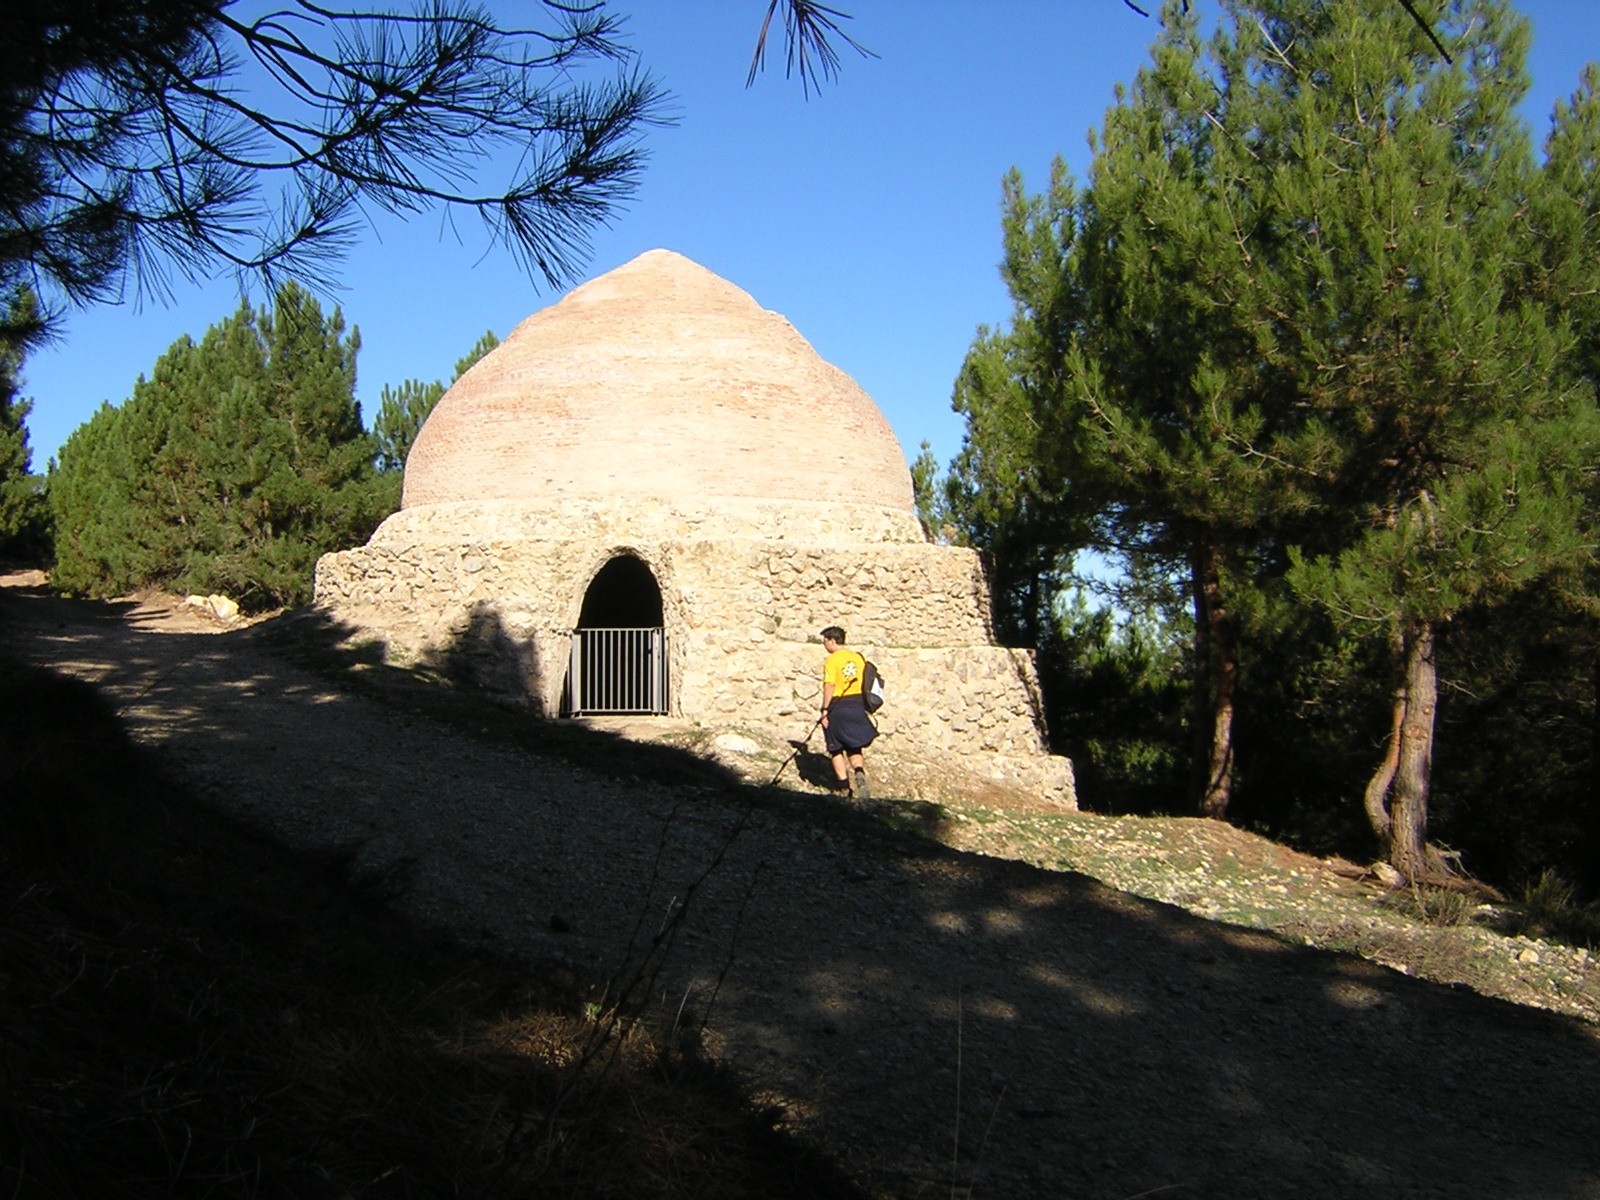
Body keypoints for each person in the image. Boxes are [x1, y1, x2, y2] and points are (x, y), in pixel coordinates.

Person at [818, 625, 876, 800]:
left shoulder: (832, 660)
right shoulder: (858, 658)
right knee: (854, 745)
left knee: (835, 748)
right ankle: (859, 772)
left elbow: (830, 685)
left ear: (832, 641)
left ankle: (845, 789)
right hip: (857, 704)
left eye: (825, 641)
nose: (824, 645)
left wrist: (825, 710)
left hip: (838, 705)